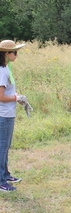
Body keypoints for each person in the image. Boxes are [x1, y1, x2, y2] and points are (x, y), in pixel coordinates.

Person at [0, 40, 27, 192]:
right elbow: (1, 97)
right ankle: (1, 181)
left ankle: (5, 174)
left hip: (8, 113)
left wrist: (16, 96)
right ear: (6, 54)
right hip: (3, 115)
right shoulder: (2, 71)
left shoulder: (6, 68)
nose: (16, 55)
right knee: (2, 148)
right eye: (14, 52)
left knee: (5, 146)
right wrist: (16, 98)